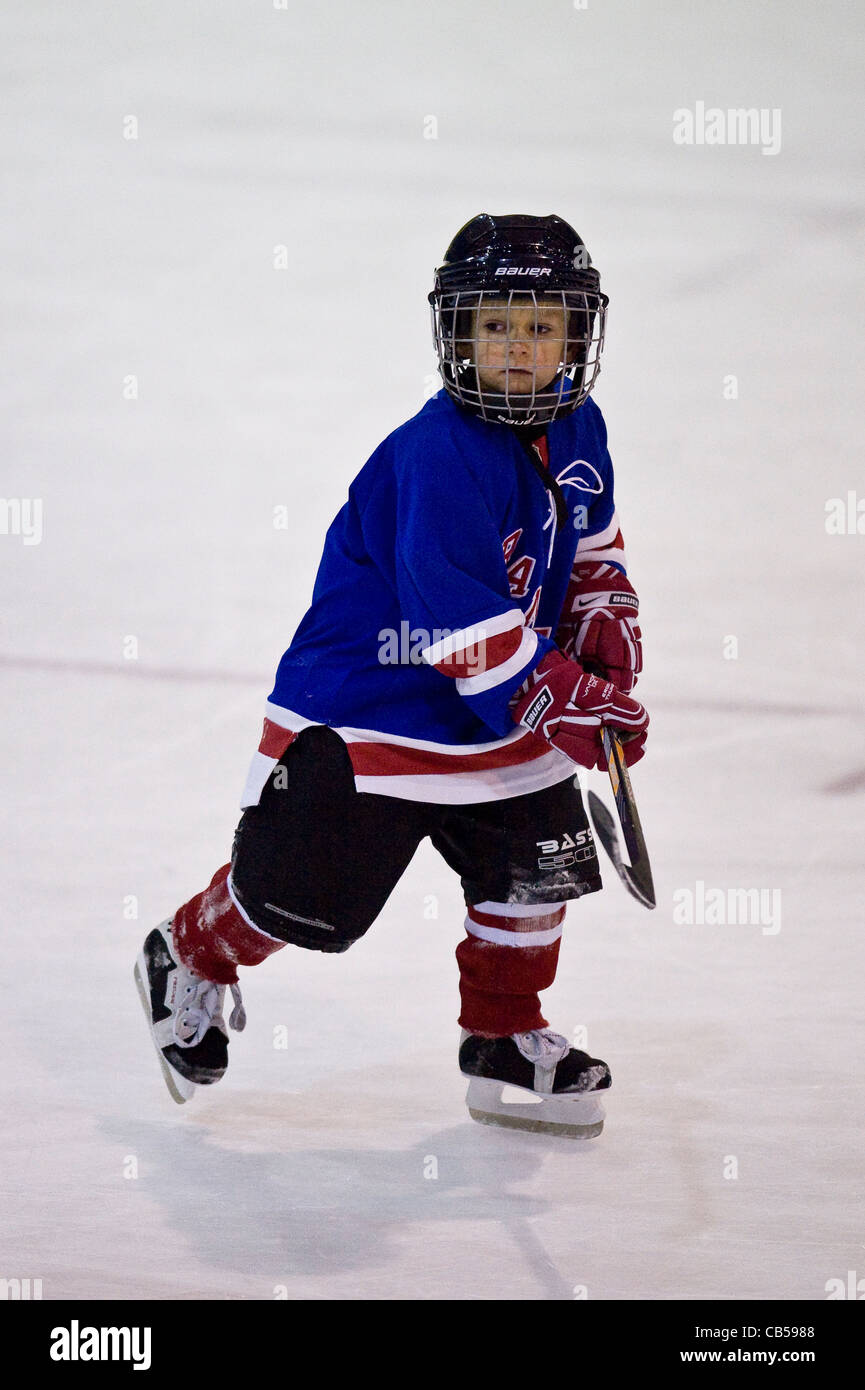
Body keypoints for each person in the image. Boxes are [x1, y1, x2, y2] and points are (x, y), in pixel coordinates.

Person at [135, 212, 649, 1137]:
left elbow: (592, 545)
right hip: (376, 706)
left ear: (577, 333)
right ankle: (193, 947)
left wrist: (602, 619)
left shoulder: (581, 426)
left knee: (533, 875)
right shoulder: (436, 451)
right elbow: (458, 624)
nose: (519, 348)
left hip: (498, 705)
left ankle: (503, 1037)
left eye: (540, 326)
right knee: (305, 903)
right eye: (496, 326)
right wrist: (561, 696)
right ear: (458, 334)